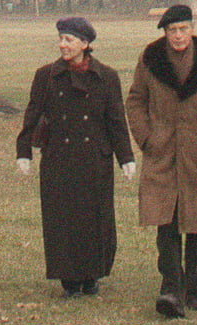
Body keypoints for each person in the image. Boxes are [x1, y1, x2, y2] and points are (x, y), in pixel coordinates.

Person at [125, 2, 197, 318]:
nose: (178, 36)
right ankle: (171, 289)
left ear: (193, 28)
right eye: (172, 30)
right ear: (164, 32)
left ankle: (195, 293)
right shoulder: (150, 59)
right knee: (166, 221)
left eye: (183, 29)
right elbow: (135, 101)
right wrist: (147, 138)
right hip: (162, 152)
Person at [15, 17, 137, 296]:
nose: (62, 45)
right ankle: (68, 277)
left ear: (85, 44)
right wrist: (24, 152)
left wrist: (126, 158)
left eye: (69, 40)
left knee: (95, 218)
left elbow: (116, 120)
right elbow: (32, 115)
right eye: (61, 39)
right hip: (59, 158)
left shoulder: (106, 77)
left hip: (95, 159)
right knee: (62, 218)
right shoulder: (45, 76)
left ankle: (92, 274)